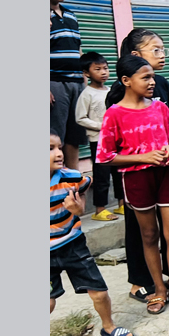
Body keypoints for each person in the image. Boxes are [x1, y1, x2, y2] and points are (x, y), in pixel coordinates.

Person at [106, 29, 169, 301]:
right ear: (135, 56)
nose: (162, 54)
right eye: (155, 49)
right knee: (142, 230)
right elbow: (113, 144)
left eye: (162, 49)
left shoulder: (162, 84)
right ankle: (140, 281)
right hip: (134, 170)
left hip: (166, 167)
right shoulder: (117, 94)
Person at [51, 134, 136, 336]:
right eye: (50, 148)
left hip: (73, 244)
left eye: (59, 147)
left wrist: (78, 210)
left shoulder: (71, 177)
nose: (59, 153)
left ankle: (109, 327)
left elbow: (82, 196)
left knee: (99, 292)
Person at [74, 52, 121, 221]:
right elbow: (80, 118)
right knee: (102, 175)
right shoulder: (87, 94)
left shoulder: (112, 90)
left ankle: (121, 204)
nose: (103, 72)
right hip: (98, 141)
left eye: (106, 68)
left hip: (116, 139)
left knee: (119, 172)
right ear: (87, 73)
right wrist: (101, 127)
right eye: (98, 69)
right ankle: (99, 209)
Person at [51, 0, 86, 171]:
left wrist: (84, 76)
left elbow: (78, 47)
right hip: (55, 82)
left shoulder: (71, 15)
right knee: (55, 135)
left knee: (75, 135)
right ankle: (54, 183)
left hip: (76, 82)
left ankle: (74, 177)